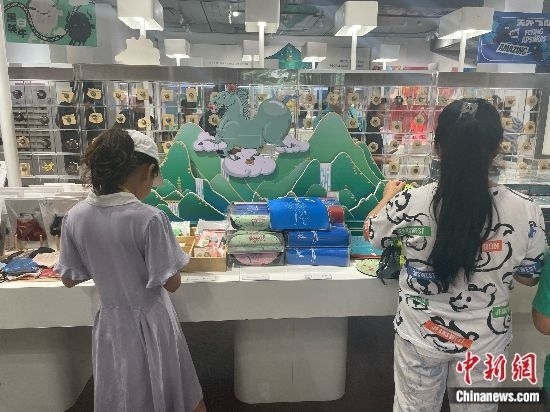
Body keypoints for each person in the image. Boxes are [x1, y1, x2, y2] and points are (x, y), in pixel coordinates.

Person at [364, 98, 546, 412]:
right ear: (496, 149)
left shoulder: (410, 202)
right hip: (485, 341)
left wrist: (387, 196)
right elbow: (528, 277)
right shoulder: (526, 210)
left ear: (437, 147)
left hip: (420, 333)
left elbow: (373, 234)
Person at [55, 128, 206, 412]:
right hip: (152, 321)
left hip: (110, 321)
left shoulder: (75, 217)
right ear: (148, 171)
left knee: (121, 391)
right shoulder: (150, 218)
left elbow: (68, 278)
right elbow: (172, 283)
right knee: (176, 389)